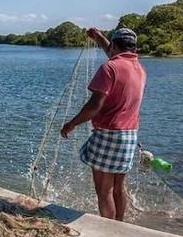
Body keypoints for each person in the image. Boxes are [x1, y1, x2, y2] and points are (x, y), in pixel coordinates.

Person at [60, 27, 146, 221]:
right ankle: (120, 224)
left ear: (115, 45)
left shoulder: (110, 68)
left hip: (109, 134)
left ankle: (110, 229)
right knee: (118, 188)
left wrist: (72, 124)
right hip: (130, 135)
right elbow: (115, 54)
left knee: (103, 190)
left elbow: (94, 105)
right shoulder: (139, 68)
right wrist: (99, 37)